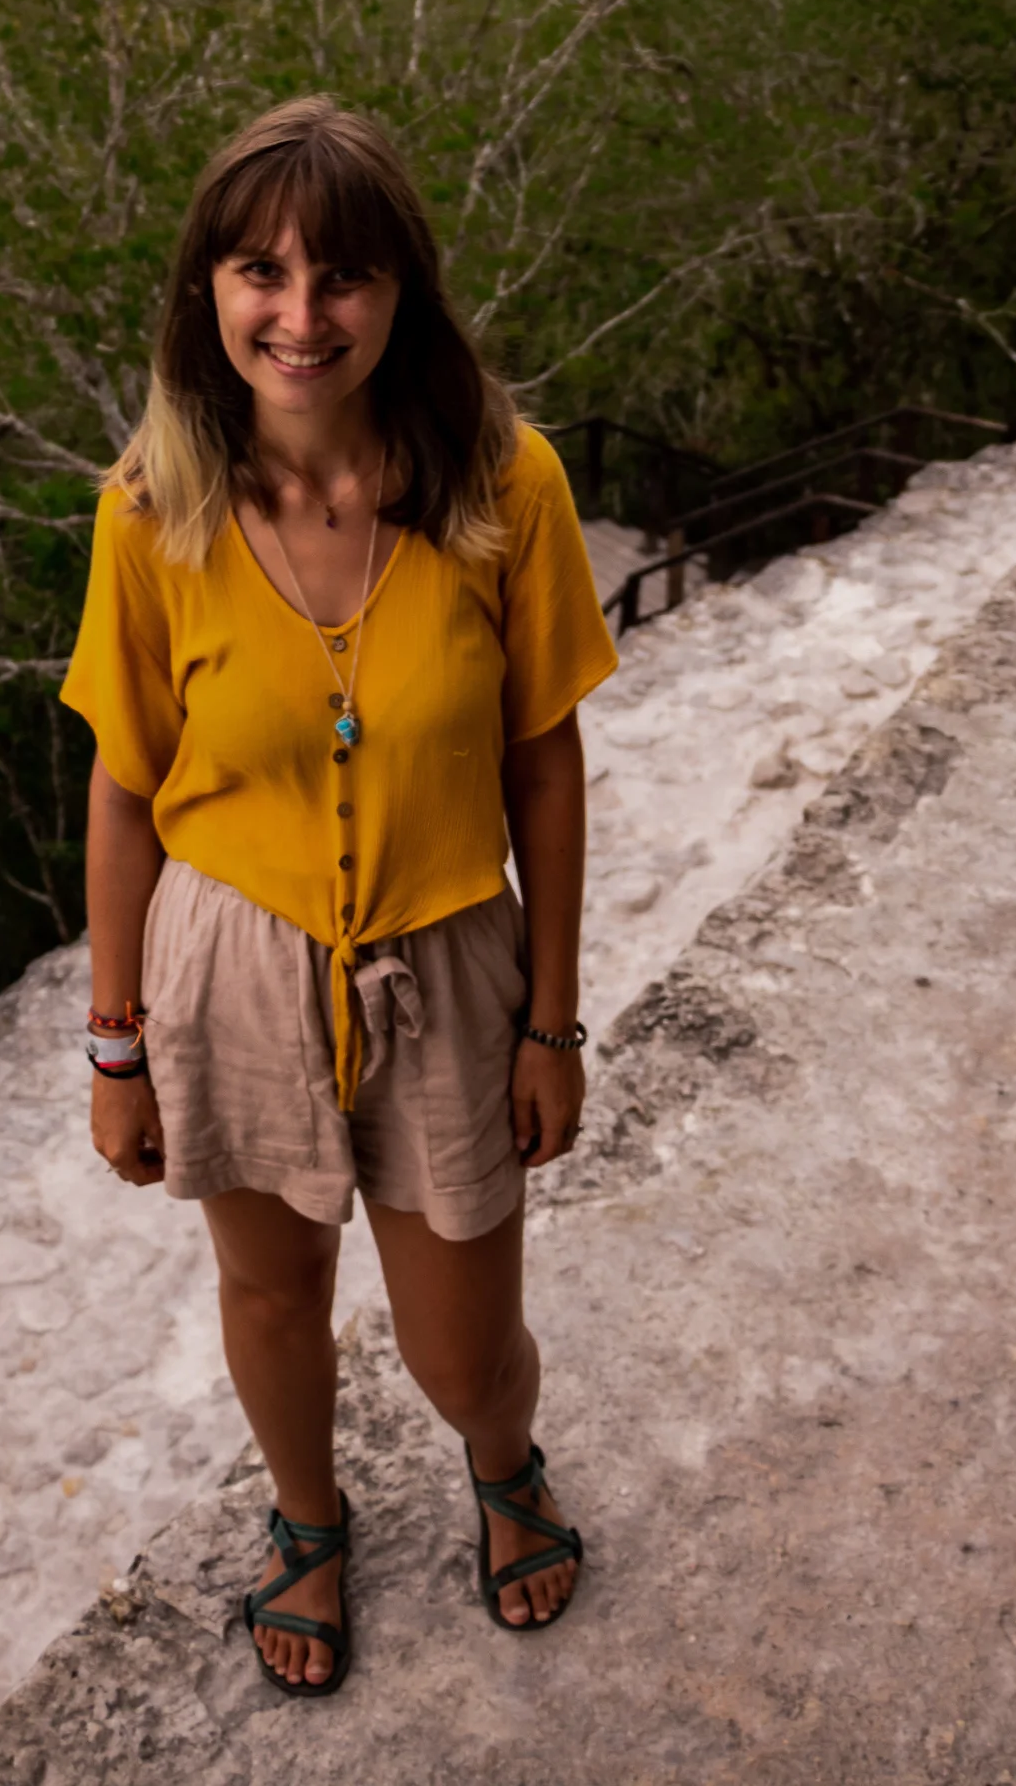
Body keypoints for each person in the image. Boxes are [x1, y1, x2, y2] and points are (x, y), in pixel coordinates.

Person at [63, 95, 618, 1696]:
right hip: (227, 964)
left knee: (462, 1344)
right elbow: (120, 787)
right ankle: (308, 1518)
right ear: (206, 293)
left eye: (344, 278)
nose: (301, 318)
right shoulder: (150, 514)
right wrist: (117, 1045)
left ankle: (502, 1462)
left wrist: (555, 1023)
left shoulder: (507, 489)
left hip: (450, 965)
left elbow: (546, 767)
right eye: (261, 274)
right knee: (269, 1287)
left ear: (403, 296)